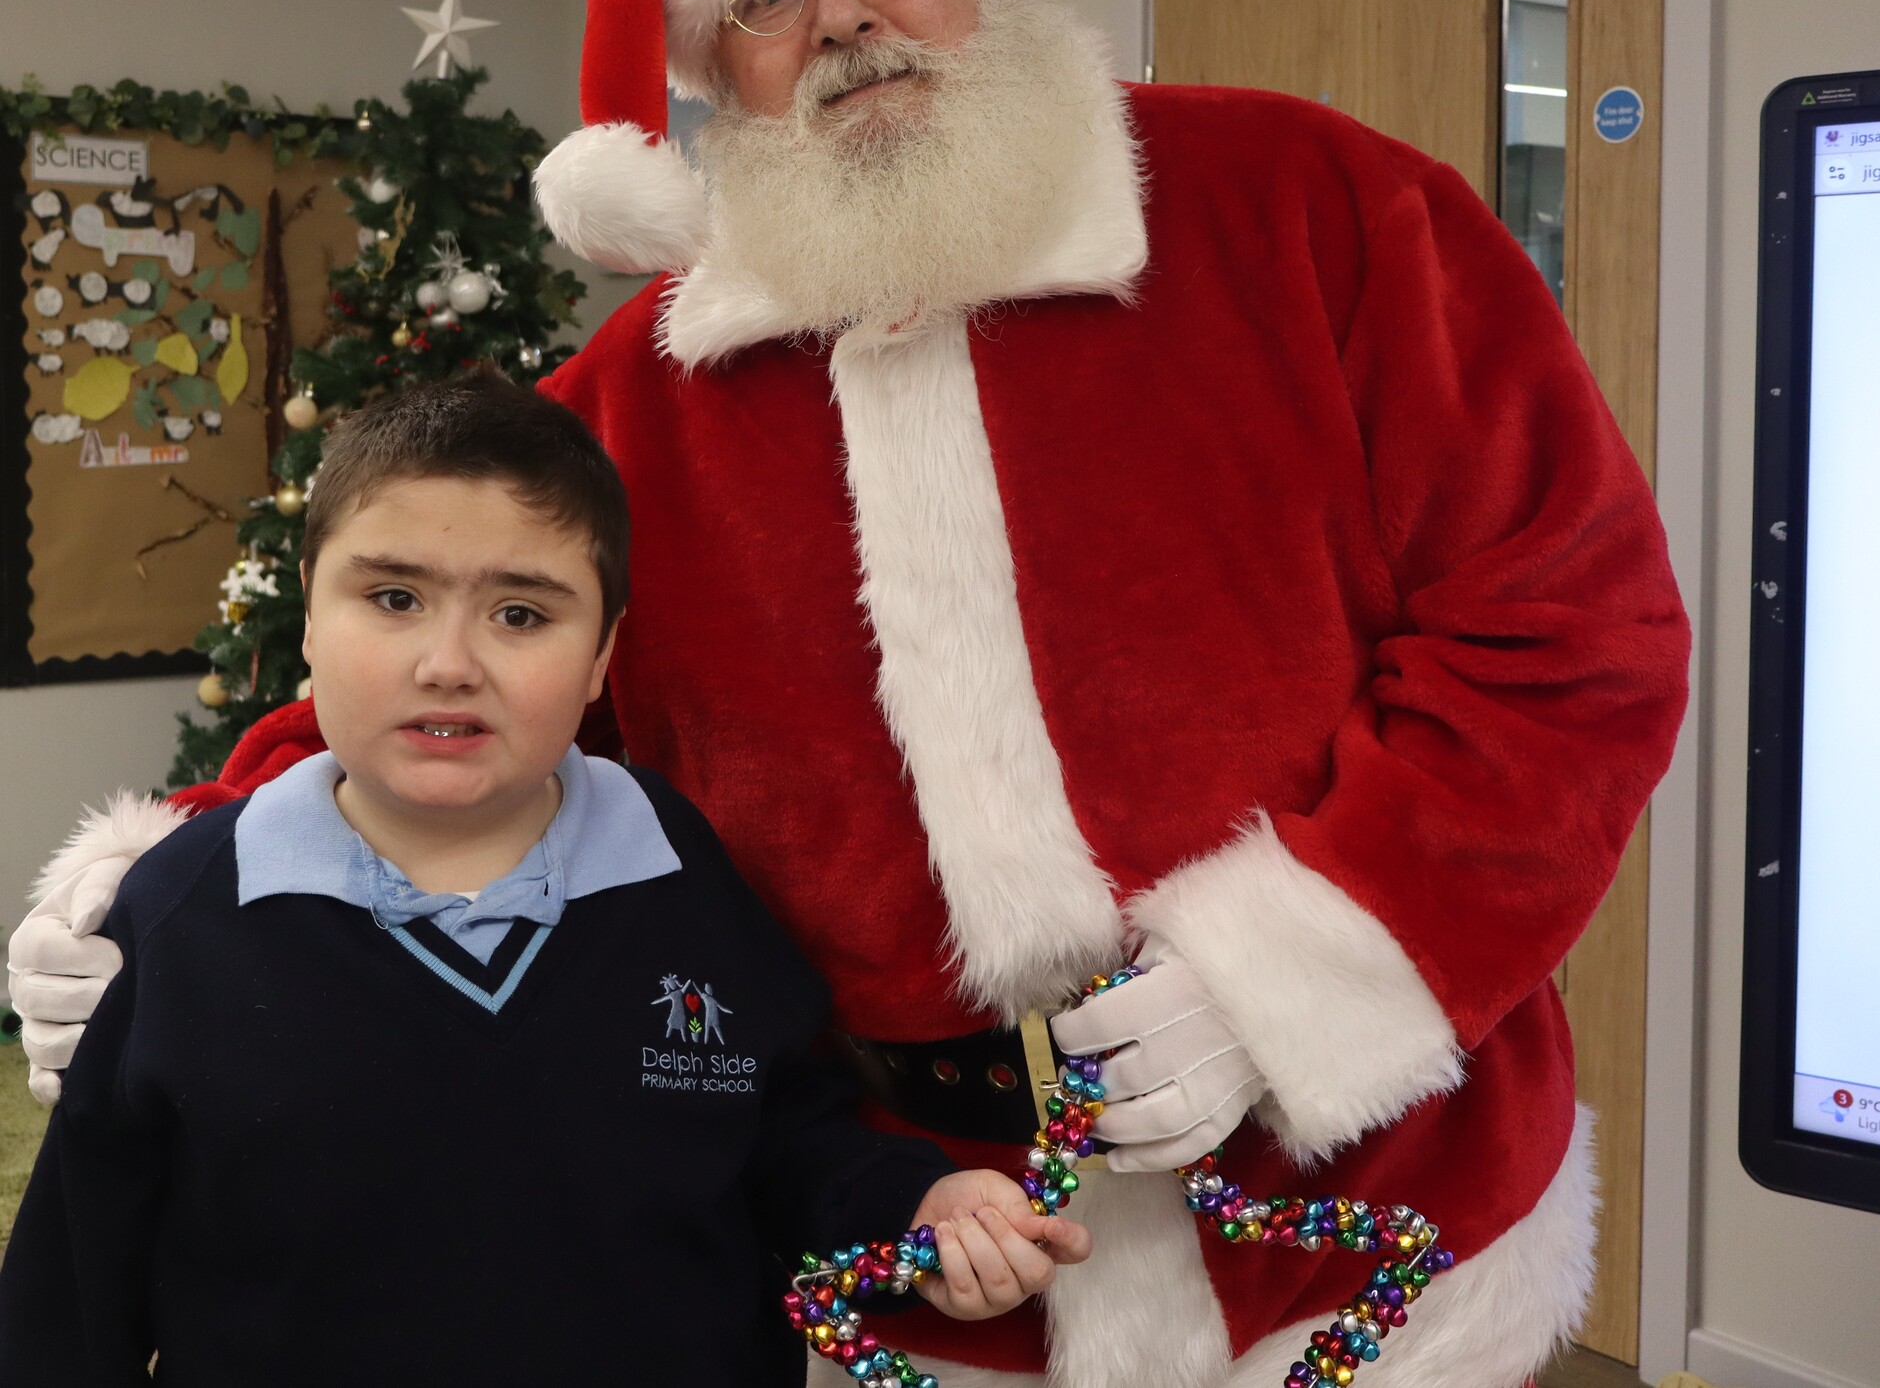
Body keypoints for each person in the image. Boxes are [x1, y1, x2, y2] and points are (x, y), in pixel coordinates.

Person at [9, 0, 1691, 1388]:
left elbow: (1571, 635)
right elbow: (473, 671)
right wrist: (176, 867)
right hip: (921, 1240)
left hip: (1365, 1198)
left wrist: (1288, 973)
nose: (842, 19)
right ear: (714, 71)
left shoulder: (1324, 210)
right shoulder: (637, 396)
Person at [0, 372, 1089, 1386]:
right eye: (393, 597)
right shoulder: (184, 909)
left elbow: (784, 1132)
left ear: (604, 653)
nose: (448, 664)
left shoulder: (679, 867)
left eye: (520, 614)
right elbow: (71, 1287)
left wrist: (914, 1203)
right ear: (311, 615)